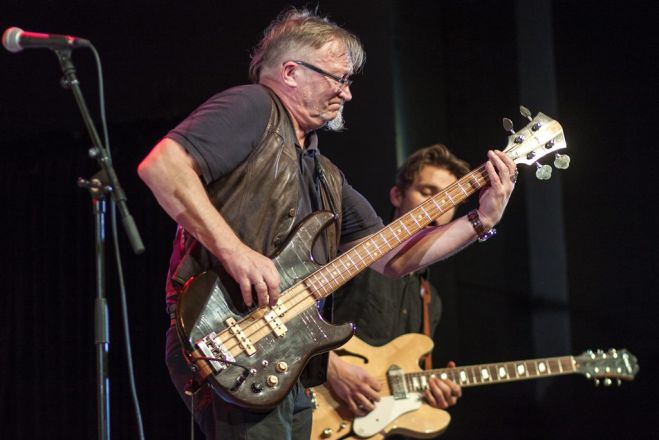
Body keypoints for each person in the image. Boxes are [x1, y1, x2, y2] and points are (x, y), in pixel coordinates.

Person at [137, 7, 517, 440]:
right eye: (338, 79)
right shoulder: (254, 106)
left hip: (286, 356)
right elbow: (163, 166)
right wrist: (235, 251)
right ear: (291, 72)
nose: (347, 94)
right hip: (231, 336)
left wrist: (479, 219)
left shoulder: (326, 175)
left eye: (349, 81)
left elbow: (393, 259)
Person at [327, 144, 470, 418]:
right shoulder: (358, 256)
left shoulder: (430, 299)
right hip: (311, 409)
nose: (438, 207)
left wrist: (431, 394)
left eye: (449, 201)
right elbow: (292, 316)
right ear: (396, 194)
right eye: (427, 193)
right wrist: (331, 368)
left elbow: (396, 382)